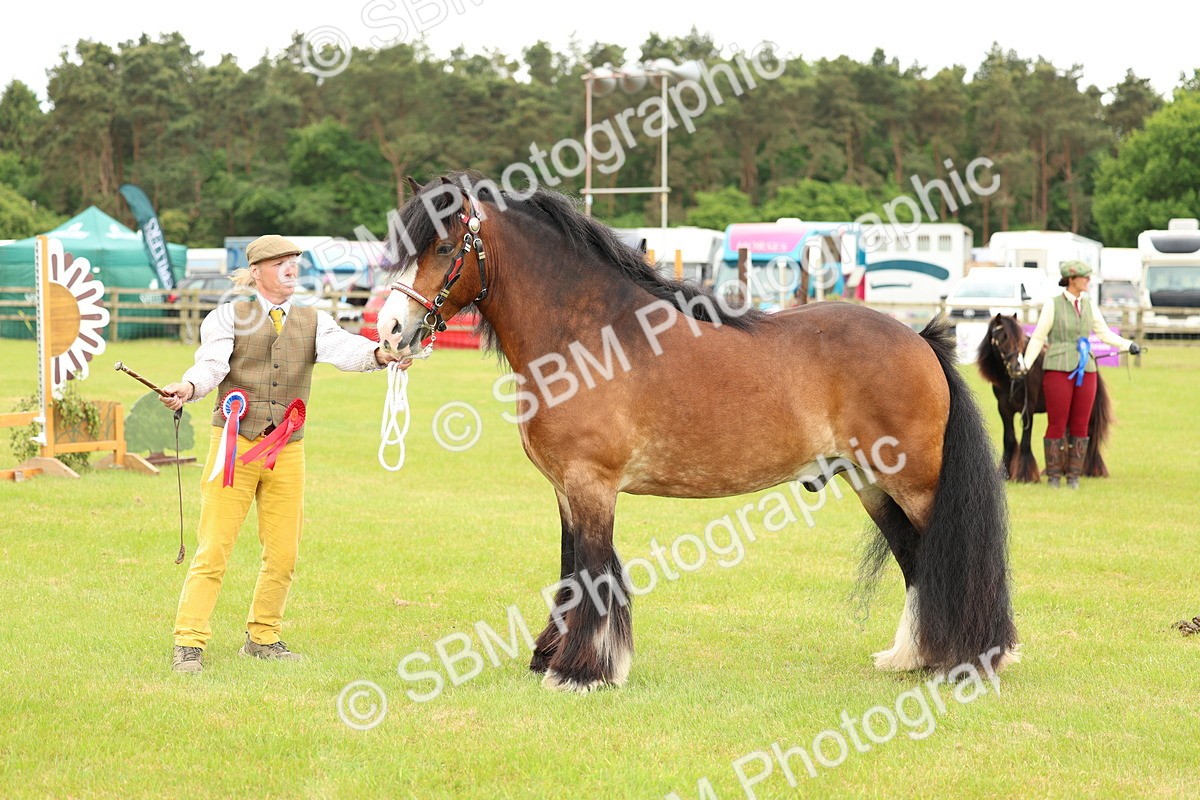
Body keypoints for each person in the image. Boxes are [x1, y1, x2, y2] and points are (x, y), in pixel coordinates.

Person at [160, 234, 409, 673]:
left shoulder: (314, 319)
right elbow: (212, 364)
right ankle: (189, 643)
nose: (291, 269)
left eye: (295, 261)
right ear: (256, 271)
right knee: (214, 548)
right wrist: (190, 387)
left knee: (283, 554)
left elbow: (344, 350)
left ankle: (263, 637)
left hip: (288, 451)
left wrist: (378, 353)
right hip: (234, 447)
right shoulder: (226, 316)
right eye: (281, 263)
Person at [1021, 260, 1142, 489]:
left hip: (1087, 370)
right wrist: (1026, 364)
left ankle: (1074, 477)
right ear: (1071, 280)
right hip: (1057, 369)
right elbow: (1038, 337)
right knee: (1056, 423)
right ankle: (1054, 477)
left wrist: (1128, 345)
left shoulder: (1089, 305)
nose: (1088, 281)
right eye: (1084, 277)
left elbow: (1104, 333)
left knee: (1081, 424)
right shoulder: (1053, 305)